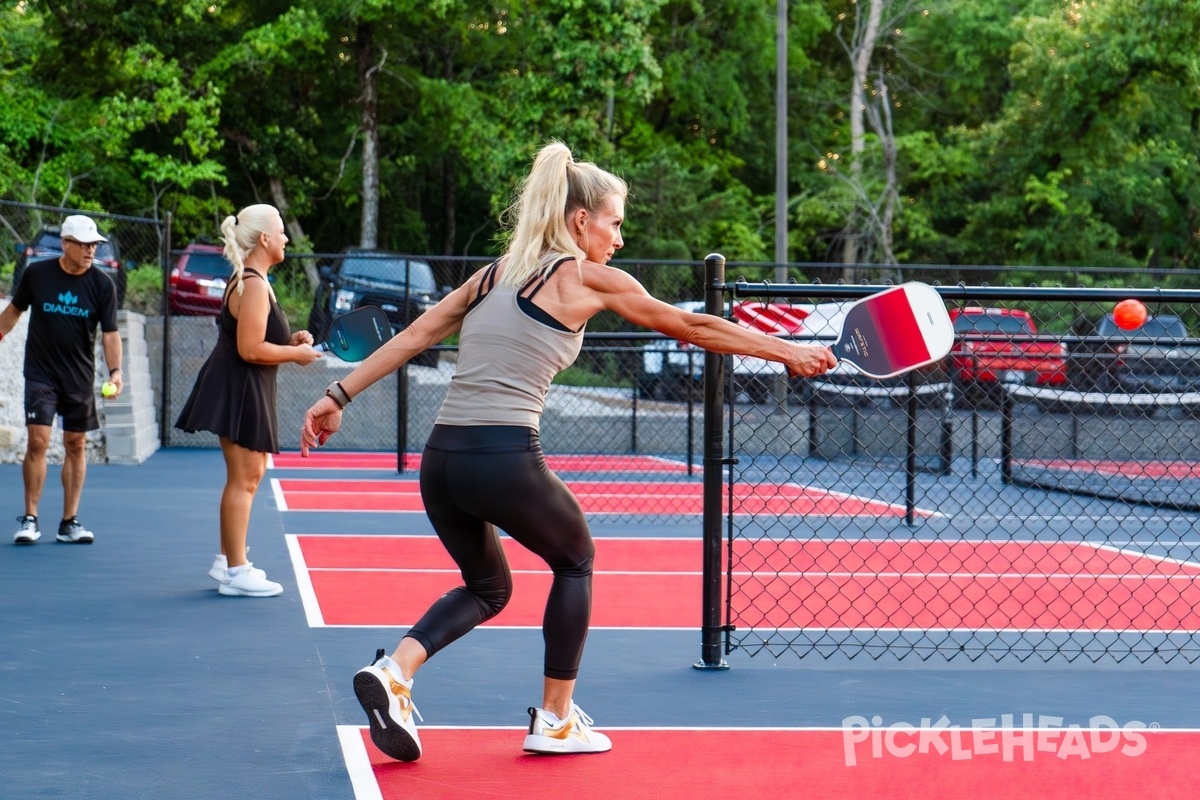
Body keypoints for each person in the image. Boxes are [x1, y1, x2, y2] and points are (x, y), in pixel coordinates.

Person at [300, 141, 837, 761]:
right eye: (613, 222)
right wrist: (788, 351)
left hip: (441, 462)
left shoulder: (491, 275)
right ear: (581, 221)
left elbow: (416, 335)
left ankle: (396, 671)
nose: (618, 237)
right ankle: (554, 718)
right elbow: (694, 327)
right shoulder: (584, 277)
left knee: (487, 588)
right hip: (500, 457)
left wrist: (337, 394)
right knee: (576, 559)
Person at [175, 204, 321, 597]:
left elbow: (258, 339)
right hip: (238, 385)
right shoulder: (253, 283)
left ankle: (228, 560)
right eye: (281, 230)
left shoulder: (257, 281)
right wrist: (296, 355)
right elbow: (251, 348)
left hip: (244, 385)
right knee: (245, 477)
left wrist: (291, 341)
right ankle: (236, 571)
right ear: (264, 239)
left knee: (249, 475)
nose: (287, 238)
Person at [0, 214, 123, 545]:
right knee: (38, 440)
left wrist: (115, 371)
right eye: (84, 244)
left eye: (94, 245)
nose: (90, 251)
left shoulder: (102, 285)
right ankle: (30, 518)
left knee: (75, 444)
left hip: (79, 378)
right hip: (40, 373)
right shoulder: (38, 274)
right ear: (66, 244)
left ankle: (69, 522)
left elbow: (110, 335)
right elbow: (14, 312)